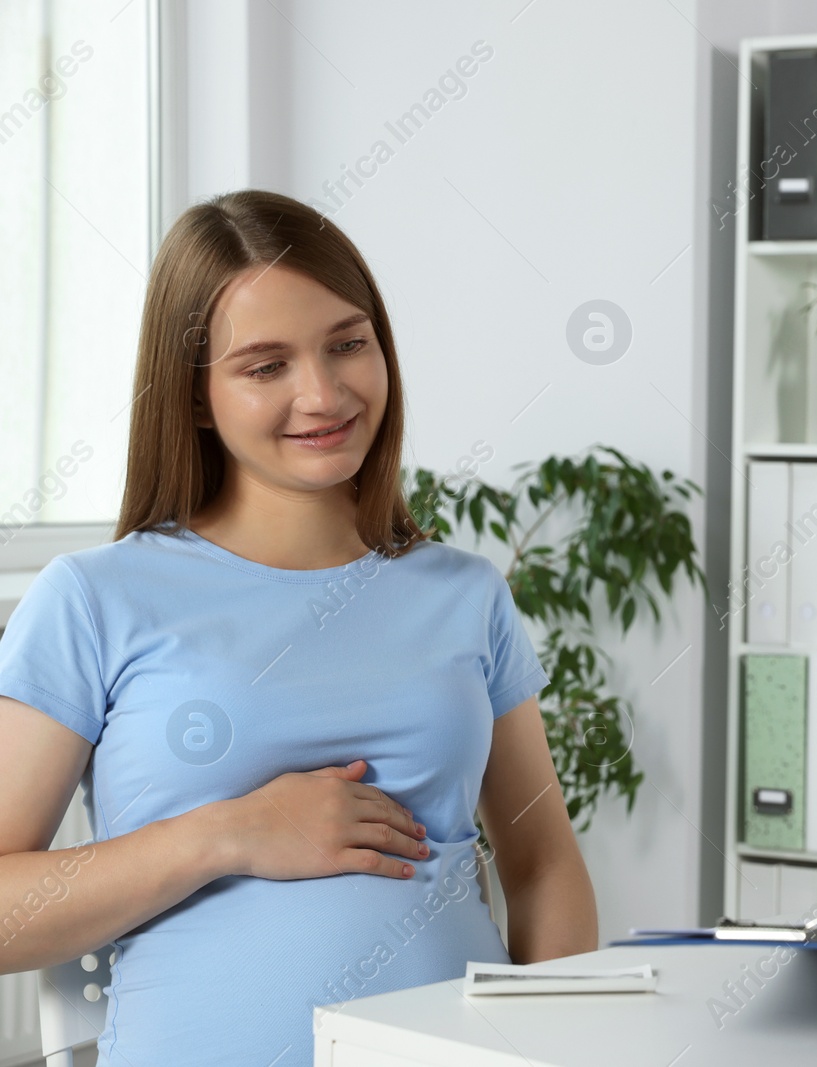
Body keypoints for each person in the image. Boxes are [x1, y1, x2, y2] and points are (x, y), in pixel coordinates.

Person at [0, 190, 597, 1064]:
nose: (323, 393)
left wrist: (555, 1043)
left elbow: (542, 863)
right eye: (264, 364)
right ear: (197, 396)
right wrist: (228, 833)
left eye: (348, 344)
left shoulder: (466, 595)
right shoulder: (95, 598)